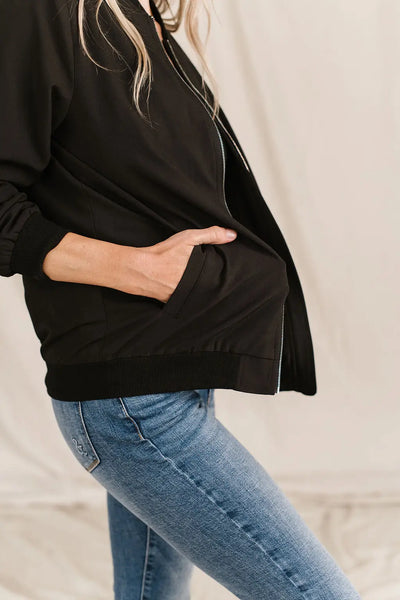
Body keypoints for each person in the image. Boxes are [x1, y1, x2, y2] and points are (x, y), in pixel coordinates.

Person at [0, 0, 362, 598]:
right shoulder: (49, 11)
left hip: (171, 374)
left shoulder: (142, 18)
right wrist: (139, 271)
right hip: (131, 403)